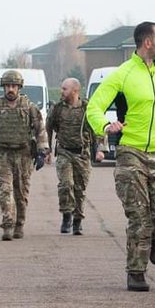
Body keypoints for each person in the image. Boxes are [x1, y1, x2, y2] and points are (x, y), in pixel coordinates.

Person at [86, 22, 155, 291]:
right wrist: (105, 126)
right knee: (138, 215)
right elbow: (94, 107)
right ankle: (136, 272)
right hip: (131, 152)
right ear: (147, 42)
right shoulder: (122, 75)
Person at [0, 69, 48, 241]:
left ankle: (19, 223)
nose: (10, 89)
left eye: (14, 85)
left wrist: (42, 152)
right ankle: (7, 225)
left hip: (24, 156)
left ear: (19, 87)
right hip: (2, 155)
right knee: (5, 190)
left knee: (21, 194)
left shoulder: (29, 107)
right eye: (7, 86)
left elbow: (40, 130)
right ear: (3, 87)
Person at [47, 77, 101, 235]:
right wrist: (47, 150)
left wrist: (99, 149)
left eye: (65, 89)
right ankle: (66, 216)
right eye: (62, 88)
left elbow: (97, 129)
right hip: (64, 152)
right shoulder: (57, 108)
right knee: (66, 184)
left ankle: (78, 220)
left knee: (80, 189)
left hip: (82, 154)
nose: (61, 91)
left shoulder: (87, 108)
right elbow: (48, 128)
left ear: (75, 91)